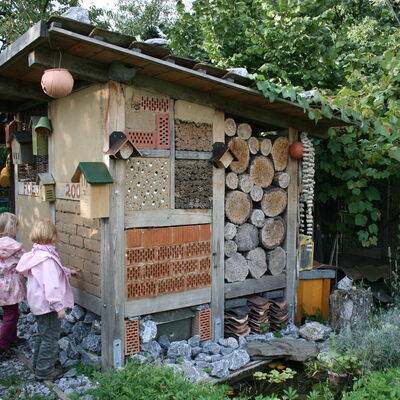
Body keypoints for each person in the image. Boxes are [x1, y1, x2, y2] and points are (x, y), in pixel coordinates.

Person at [17, 219, 78, 381]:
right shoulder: (46, 259)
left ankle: (37, 364)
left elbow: (53, 272)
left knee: (42, 335)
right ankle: (44, 371)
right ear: (53, 236)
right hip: (48, 305)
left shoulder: (36, 255)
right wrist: (59, 307)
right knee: (50, 337)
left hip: (38, 304)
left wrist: (69, 272)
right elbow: (51, 284)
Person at [0, 212, 26, 358]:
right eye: (16, 227)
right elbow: (26, 261)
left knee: (10, 313)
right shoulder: (14, 247)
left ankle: (10, 339)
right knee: (11, 315)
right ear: (11, 228)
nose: (18, 230)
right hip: (9, 285)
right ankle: (3, 345)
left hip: (1, 284)